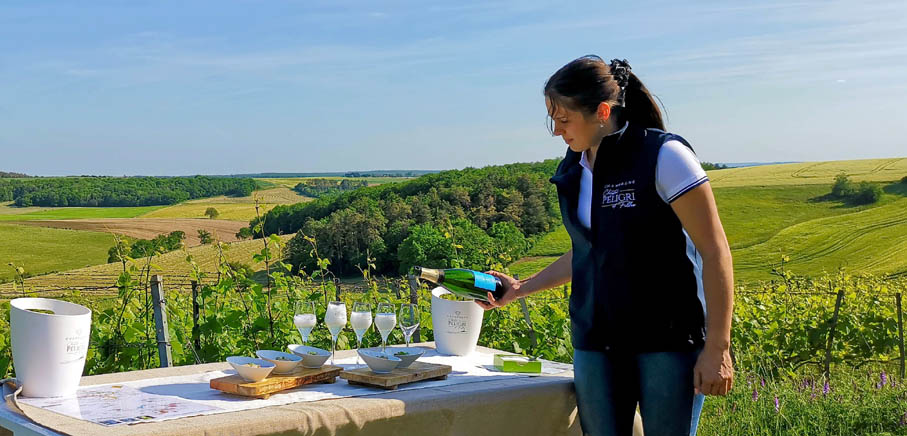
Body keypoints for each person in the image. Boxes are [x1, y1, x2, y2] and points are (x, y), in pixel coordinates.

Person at [477, 55, 734, 436]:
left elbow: (715, 252)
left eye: (563, 120)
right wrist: (520, 288)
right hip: (596, 343)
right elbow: (588, 251)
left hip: (667, 342)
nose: (556, 131)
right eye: (552, 120)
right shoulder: (574, 168)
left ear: (601, 111)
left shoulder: (664, 156)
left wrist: (718, 347)